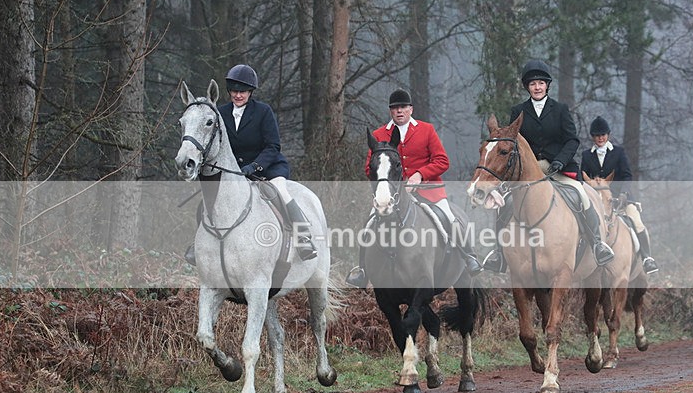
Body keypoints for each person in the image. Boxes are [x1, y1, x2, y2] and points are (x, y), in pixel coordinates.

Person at [482, 59, 614, 273]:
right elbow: (514, 143)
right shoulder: (518, 111)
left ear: (547, 85)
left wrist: (560, 160)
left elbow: (572, 140)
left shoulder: (560, 109)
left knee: (581, 195)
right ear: (527, 87)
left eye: (541, 83)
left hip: (558, 167)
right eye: (533, 84)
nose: (537, 87)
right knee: (504, 204)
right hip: (528, 169)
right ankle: (499, 253)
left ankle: (598, 243)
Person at [345, 88, 483, 288]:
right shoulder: (379, 134)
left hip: (429, 190)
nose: (399, 111)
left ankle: (469, 257)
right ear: (390, 111)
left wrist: (420, 175)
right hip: (393, 194)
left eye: (403, 107)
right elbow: (369, 167)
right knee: (368, 225)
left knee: (451, 218)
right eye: (394, 108)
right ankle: (362, 270)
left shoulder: (426, 130)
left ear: (411, 109)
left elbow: (442, 161)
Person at [185, 64, 317, 265]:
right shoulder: (220, 113)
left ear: (250, 92)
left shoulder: (263, 111)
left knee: (282, 191)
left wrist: (253, 167)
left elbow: (273, 146)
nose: (238, 95)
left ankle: (304, 237)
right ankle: (199, 244)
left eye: (243, 91)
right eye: (235, 91)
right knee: (207, 201)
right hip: (234, 172)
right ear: (229, 91)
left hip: (268, 167)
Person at [581, 116, 659, 274]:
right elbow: (583, 178)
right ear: (593, 137)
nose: (600, 138)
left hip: (621, 199)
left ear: (608, 135)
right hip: (597, 200)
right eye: (597, 135)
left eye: (603, 135)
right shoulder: (586, 155)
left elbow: (627, 175)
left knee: (637, 222)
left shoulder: (618, 152)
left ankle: (646, 258)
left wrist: (623, 194)